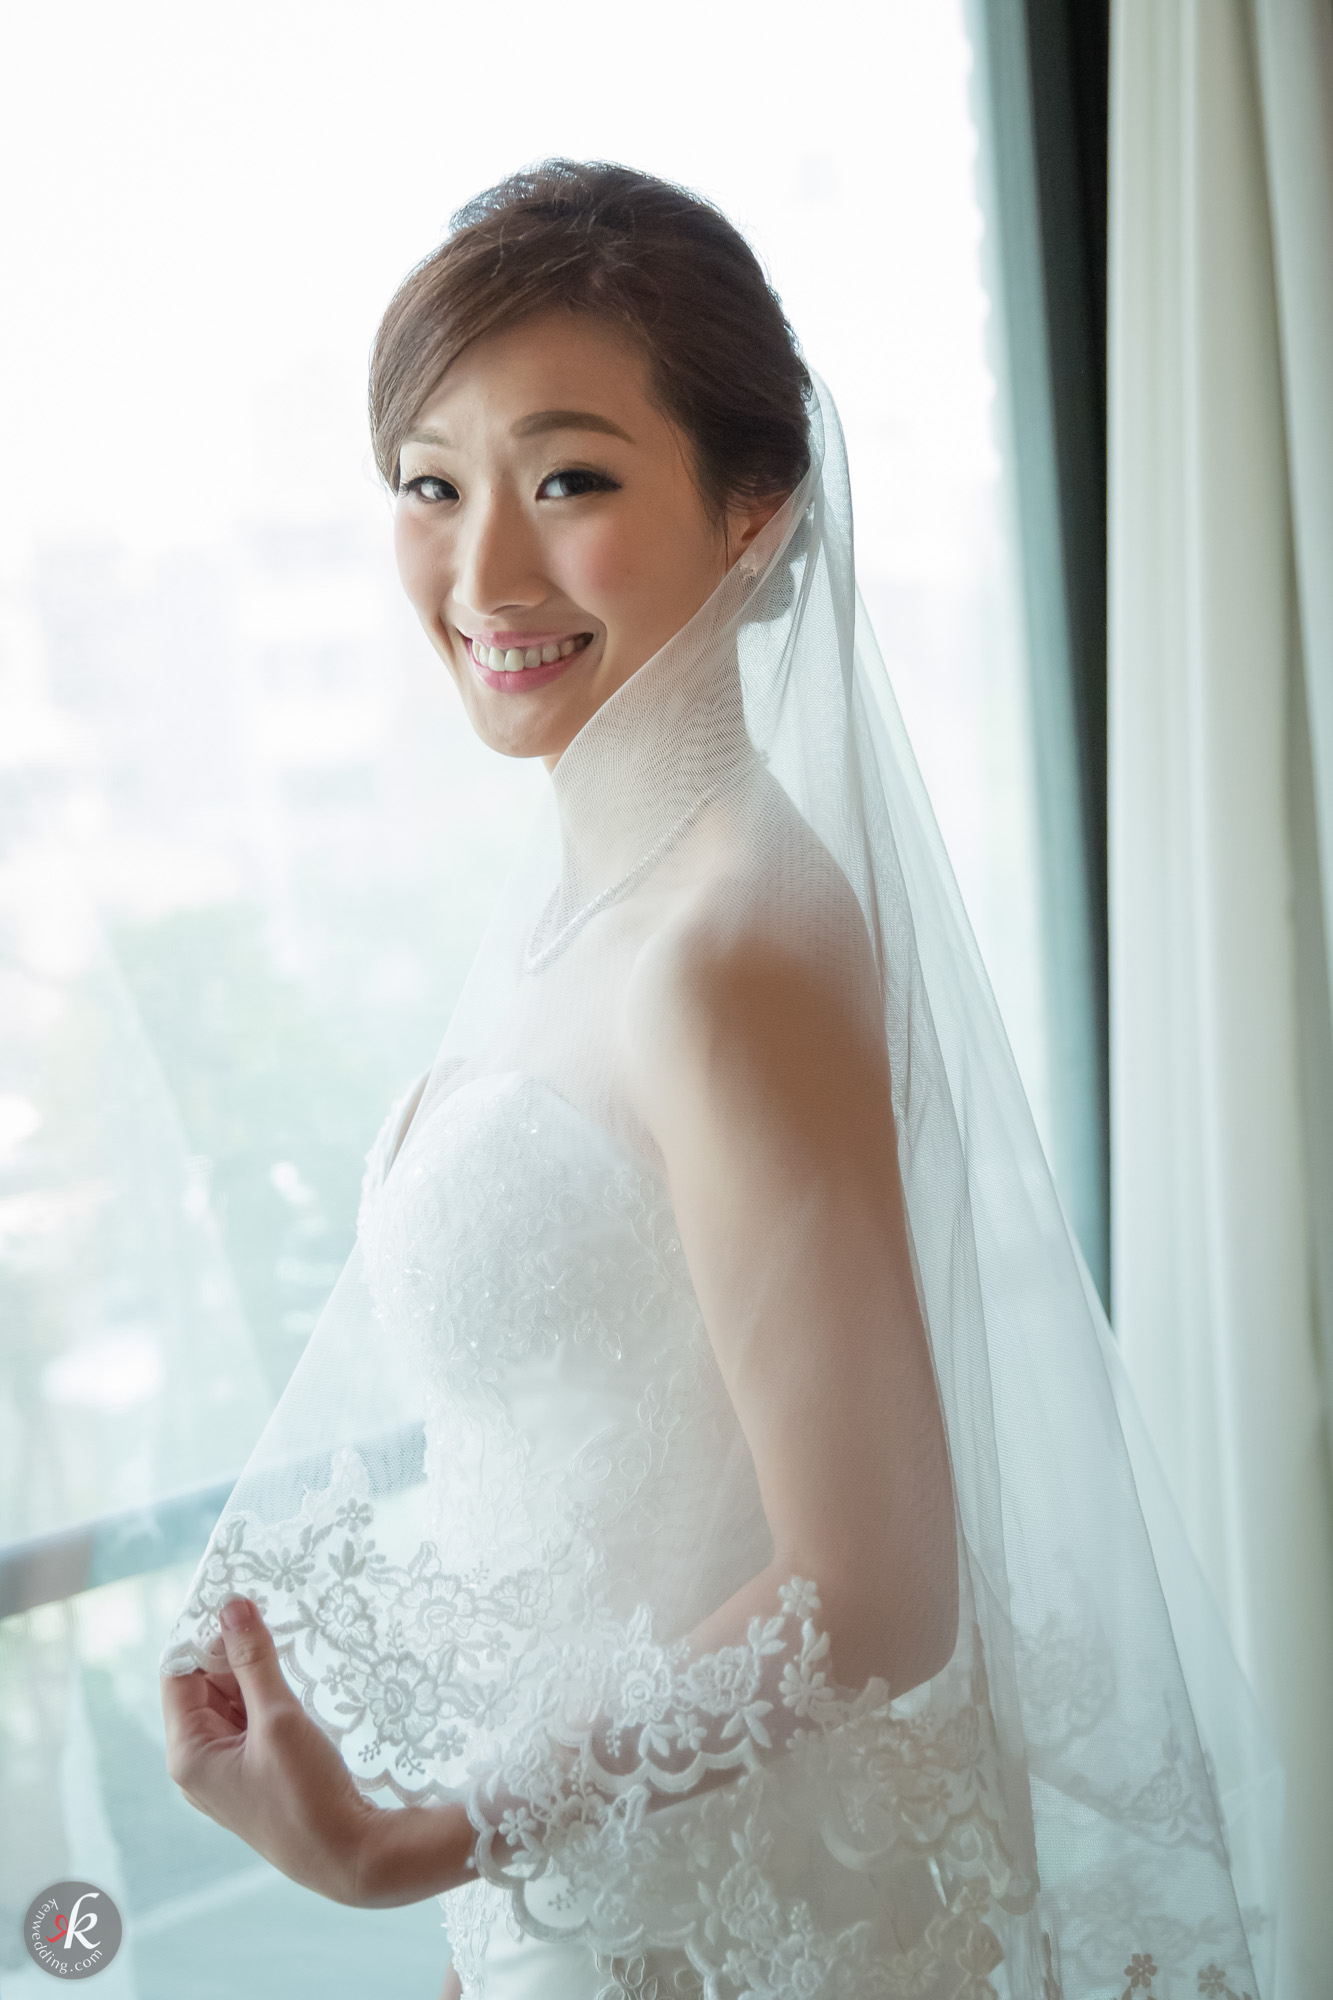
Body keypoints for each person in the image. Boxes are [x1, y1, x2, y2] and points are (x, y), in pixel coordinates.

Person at [161, 163, 1276, 2000]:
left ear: (753, 512)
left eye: (568, 481)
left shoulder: (722, 950)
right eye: (431, 486)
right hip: (594, 1909)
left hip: (740, 1935)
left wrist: (414, 1841)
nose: (482, 572)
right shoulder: (594, 901)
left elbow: (876, 1584)